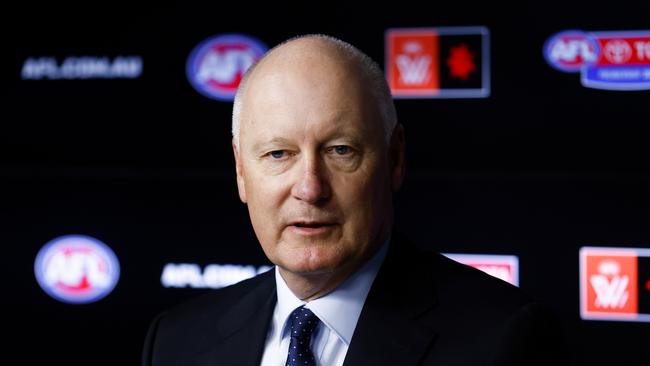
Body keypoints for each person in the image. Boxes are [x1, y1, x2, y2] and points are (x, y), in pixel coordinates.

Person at [142, 34, 568, 366]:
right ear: (240, 171)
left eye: (339, 150)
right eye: (278, 154)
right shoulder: (176, 342)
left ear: (394, 158)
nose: (310, 187)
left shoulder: (504, 341)